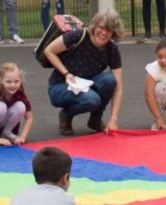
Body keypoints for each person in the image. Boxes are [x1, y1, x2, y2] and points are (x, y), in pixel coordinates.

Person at [44, 8, 125, 136]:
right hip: (60, 85)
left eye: (108, 30)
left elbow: (118, 88)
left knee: (110, 80)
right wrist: (66, 73)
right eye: (101, 27)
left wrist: (113, 119)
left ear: (114, 32)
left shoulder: (112, 49)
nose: (104, 33)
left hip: (85, 86)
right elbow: (49, 51)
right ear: (95, 25)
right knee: (92, 100)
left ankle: (95, 120)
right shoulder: (78, 35)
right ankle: (66, 115)